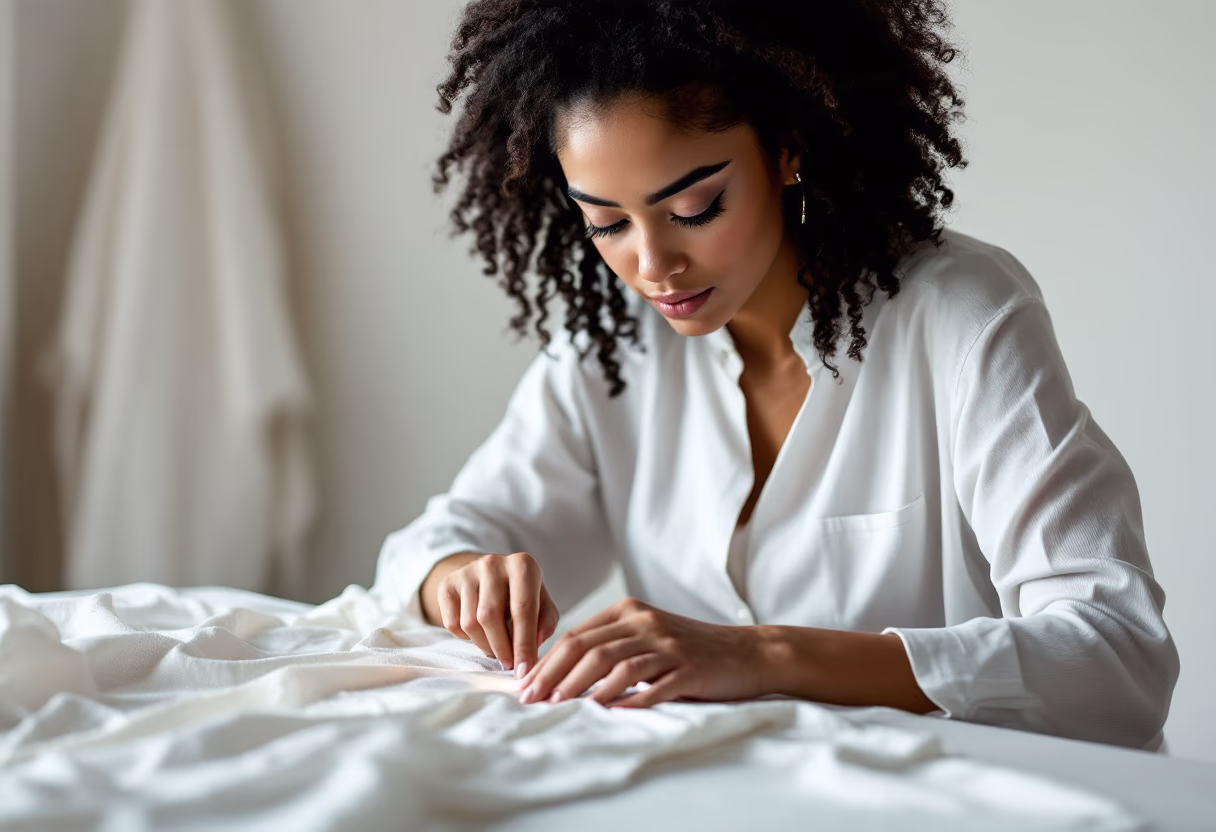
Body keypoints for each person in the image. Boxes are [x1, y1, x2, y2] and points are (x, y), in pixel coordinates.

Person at [371, 0, 1179, 751]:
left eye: (695, 208)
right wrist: (461, 581)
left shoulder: (961, 316)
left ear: (787, 147)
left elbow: (1116, 657)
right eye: (607, 224)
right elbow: (429, 548)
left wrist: (758, 655)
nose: (653, 266)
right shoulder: (609, 349)